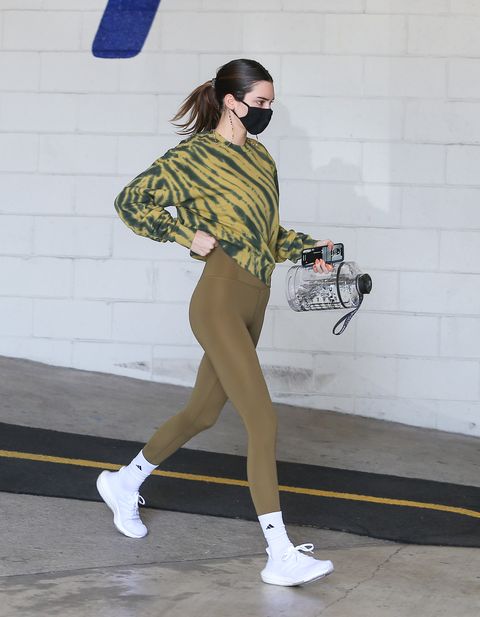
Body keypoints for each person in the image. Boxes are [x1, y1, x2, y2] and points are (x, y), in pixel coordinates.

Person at [97, 58, 335, 587]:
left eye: (271, 103)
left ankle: (124, 482)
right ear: (232, 101)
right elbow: (130, 201)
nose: (267, 110)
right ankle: (279, 553)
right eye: (261, 102)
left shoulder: (263, 158)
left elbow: (269, 238)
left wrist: (310, 249)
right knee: (262, 421)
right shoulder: (195, 156)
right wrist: (185, 235)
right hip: (219, 299)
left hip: (256, 300)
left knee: (203, 413)